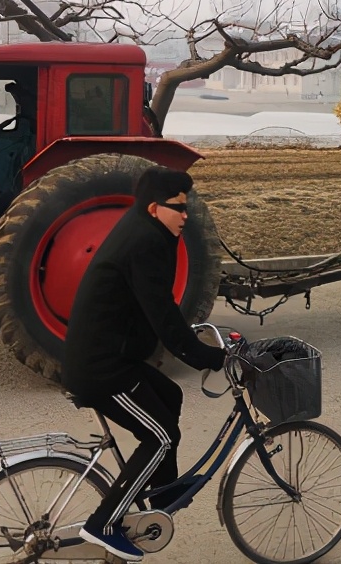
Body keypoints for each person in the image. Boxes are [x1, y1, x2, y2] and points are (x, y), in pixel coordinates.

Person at [61, 165, 226, 562]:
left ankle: (159, 495)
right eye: (179, 208)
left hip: (113, 358)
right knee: (162, 436)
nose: (186, 216)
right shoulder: (146, 243)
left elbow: (160, 311)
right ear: (155, 208)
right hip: (102, 369)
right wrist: (208, 357)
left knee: (168, 394)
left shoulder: (145, 230)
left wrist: (198, 345)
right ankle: (102, 524)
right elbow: (164, 317)